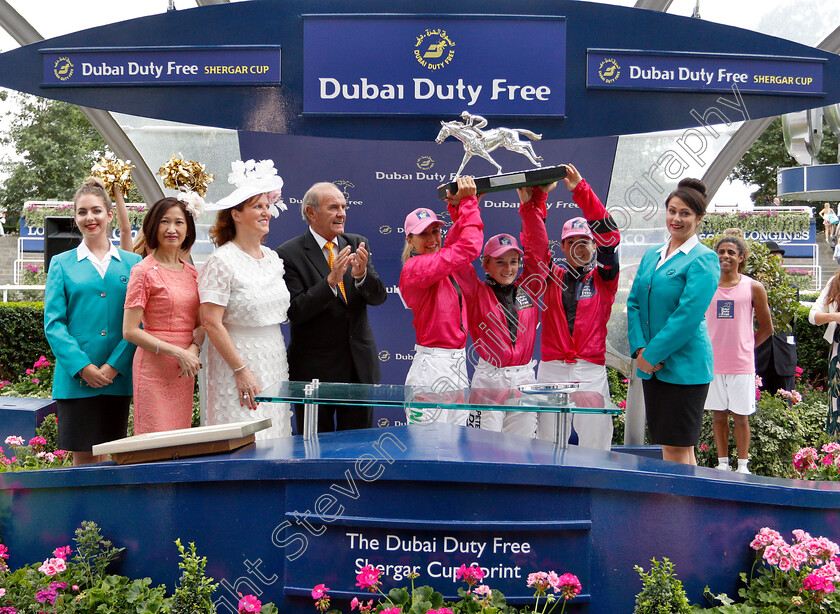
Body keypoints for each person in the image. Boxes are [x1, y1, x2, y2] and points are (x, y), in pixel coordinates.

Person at [44, 177, 142, 465]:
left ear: (110, 214)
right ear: (75, 218)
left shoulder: (132, 263)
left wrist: (114, 366)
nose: (90, 218)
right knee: (83, 463)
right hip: (76, 382)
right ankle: (83, 514)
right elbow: (54, 324)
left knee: (115, 462)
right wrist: (83, 367)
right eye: (82, 212)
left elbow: (139, 321)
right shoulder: (62, 263)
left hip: (117, 379)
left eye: (97, 210)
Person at [276, 182, 387, 433]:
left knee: (358, 448)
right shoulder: (288, 253)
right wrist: (330, 282)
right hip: (315, 374)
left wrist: (361, 277)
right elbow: (295, 310)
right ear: (311, 213)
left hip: (359, 370)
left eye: (344, 207)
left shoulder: (357, 243)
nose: (342, 213)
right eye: (333, 207)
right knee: (317, 450)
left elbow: (379, 298)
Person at [627, 178, 720, 465]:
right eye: (672, 210)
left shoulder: (704, 259)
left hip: (683, 366)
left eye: (685, 213)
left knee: (677, 449)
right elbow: (633, 303)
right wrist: (641, 351)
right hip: (652, 365)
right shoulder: (652, 255)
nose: (676, 219)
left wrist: (651, 355)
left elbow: (688, 315)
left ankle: (682, 509)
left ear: (699, 218)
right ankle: (686, 507)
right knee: (674, 448)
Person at [197, 159, 292, 439]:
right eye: (257, 206)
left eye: (267, 206)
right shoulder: (221, 261)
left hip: (274, 358)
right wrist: (241, 370)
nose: (266, 212)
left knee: (277, 435)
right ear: (236, 215)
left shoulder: (274, 259)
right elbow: (211, 322)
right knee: (245, 437)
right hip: (236, 364)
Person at [456, 179, 554, 436]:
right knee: (483, 449)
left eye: (513, 261)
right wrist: (469, 207)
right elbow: (458, 257)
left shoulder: (530, 287)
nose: (509, 268)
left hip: (524, 378)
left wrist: (529, 207)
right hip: (489, 379)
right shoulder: (476, 292)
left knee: (521, 448)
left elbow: (539, 251)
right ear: (485, 264)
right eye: (500, 262)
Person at [533, 164, 620, 450]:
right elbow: (535, 244)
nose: (580, 248)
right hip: (552, 370)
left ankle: (596, 491)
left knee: (597, 443)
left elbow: (611, 237)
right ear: (562, 246)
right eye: (572, 242)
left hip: (590, 370)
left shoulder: (605, 277)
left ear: (594, 246)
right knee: (548, 441)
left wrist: (581, 190)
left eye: (586, 242)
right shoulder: (550, 275)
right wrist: (537, 202)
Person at [399, 177, 483, 425]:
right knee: (425, 446)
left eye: (435, 230)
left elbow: (456, 246)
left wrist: (459, 209)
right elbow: (467, 247)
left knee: (454, 444)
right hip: (431, 367)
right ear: (410, 240)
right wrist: (469, 203)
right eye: (422, 233)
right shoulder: (414, 267)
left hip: (457, 365)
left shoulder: (446, 266)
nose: (432, 238)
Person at [123, 197, 203, 434]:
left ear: (188, 229)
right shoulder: (143, 271)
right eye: (165, 222)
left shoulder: (193, 273)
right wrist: (177, 351)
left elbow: (201, 325)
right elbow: (129, 331)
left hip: (183, 370)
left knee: (179, 440)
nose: (171, 229)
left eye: (179, 222)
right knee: (154, 440)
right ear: (153, 226)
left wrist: (193, 349)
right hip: (153, 368)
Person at [704, 235, 774, 474]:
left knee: (741, 418)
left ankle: (743, 467)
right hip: (712, 364)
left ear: (741, 257)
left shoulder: (753, 287)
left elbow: (767, 328)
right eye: (721, 252)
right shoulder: (707, 284)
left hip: (741, 365)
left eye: (731, 252)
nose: (725, 256)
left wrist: (745, 347)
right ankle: (722, 464)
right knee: (718, 416)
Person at [755, 241, 798, 394]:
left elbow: (792, 324)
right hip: (758, 356)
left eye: (778, 260)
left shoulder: (791, 289)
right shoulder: (752, 287)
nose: (775, 264)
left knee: (786, 403)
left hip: (784, 354)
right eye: (770, 260)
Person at [809, 269, 840, 438]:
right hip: (838, 352)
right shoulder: (835, 282)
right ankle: (836, 455)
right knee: (837, 405)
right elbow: (813, 316)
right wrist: (835, 316)